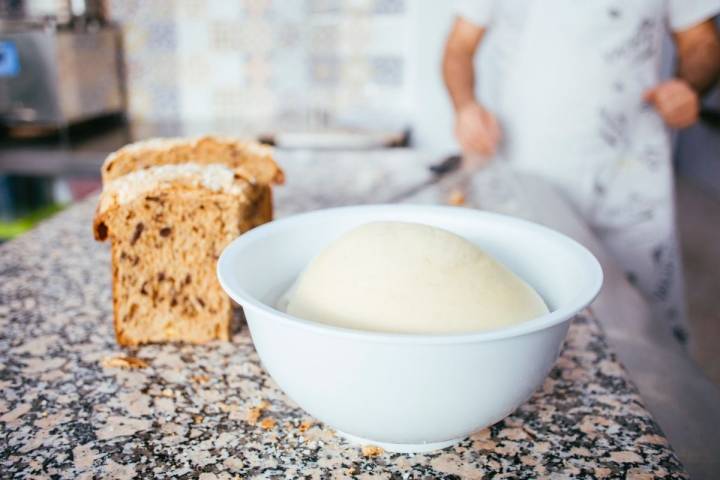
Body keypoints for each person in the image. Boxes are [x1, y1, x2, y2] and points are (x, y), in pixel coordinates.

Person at [443, 1, 720, 342]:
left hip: (632, 174)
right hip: (530, 168)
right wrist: (465, 106)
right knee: (534, 313)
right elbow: (459, 47)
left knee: (650, 335)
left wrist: (689, 87)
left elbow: (701, 42)